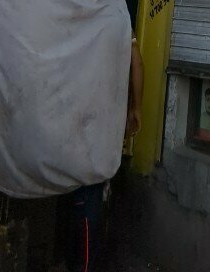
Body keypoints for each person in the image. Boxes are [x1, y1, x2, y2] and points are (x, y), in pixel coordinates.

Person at [67, 34, 144, 272]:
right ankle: (87, 263)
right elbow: (136, 60)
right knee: (92, 193)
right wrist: (137, 108)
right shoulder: (117, 19)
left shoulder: (77, 16)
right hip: (106, 123)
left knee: (81, 195)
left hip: (75, 119)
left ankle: (80, 263)